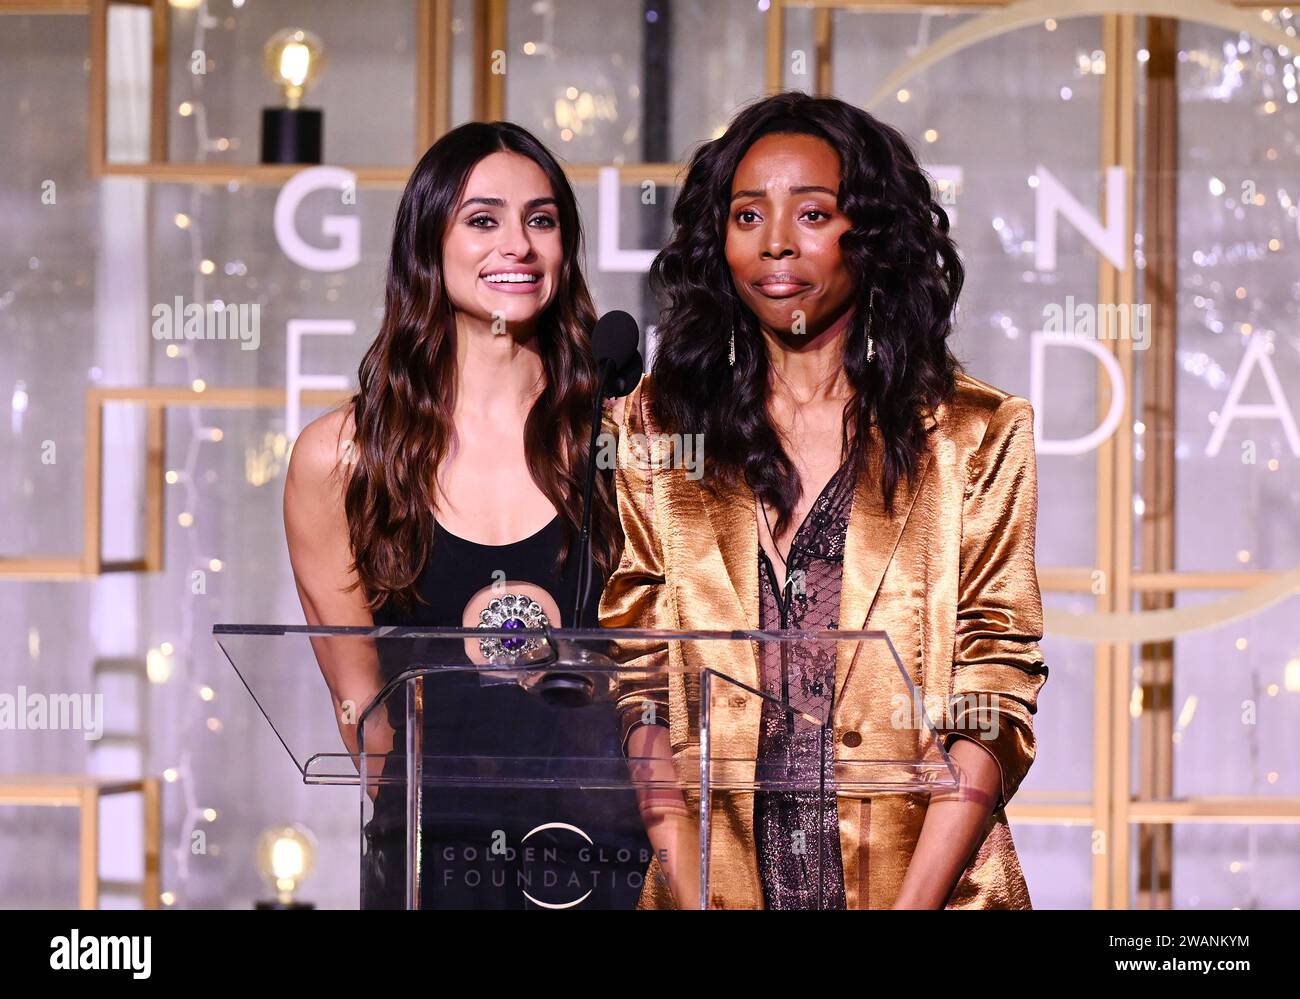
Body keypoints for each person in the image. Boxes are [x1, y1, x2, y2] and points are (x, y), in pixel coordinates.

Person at [599, 91, 1049, 909]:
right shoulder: (656, 428)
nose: (776, 242)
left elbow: (994, 695)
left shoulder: (974, 435)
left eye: (812, 212)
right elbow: (645, 686)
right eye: (746, 216)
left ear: (870, 236)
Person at [285, 121, 645, 909]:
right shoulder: (341, 459)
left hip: (608, 859)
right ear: (426, 243)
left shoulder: (627, 441)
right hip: (432, 862)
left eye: (541, 220)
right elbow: (365, 719)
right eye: (483, 220)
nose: (516, 243)